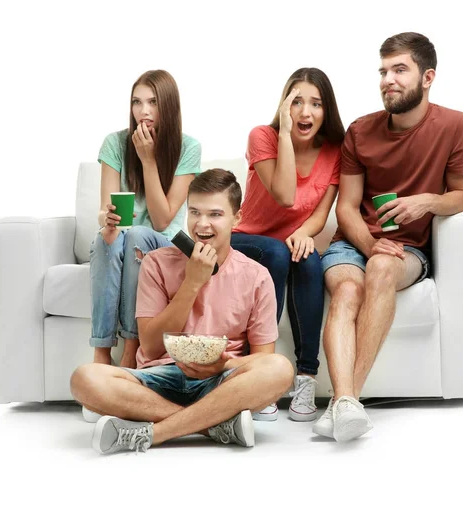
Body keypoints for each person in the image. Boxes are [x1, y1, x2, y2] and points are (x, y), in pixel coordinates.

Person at [317, 32, 463, 441]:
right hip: (352, 244)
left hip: (408, 250)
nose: (388, 79)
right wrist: (367, 245)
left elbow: (462, 196)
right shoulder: (361, 131)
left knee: (384, 266)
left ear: (427, 77)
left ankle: (342, 401)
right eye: (384, 71)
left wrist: (424, 202)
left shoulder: (454, 125)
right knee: (348, 291)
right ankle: (348, 403)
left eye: (400, 69)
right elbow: (346, 208)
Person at [71, 169, 294, 454]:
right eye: (194, 212)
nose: (202, 224)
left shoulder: (257, 276)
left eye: (215, 214)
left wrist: (220, 367)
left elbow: (264, 358)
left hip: (221, 382)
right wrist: (192, 282)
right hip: (159, 376)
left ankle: (156, 432)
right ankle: (214, 426)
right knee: (84, 379)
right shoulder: (156, 263)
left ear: (236, 219)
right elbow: (150, 348)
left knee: (280, 368)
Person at [231, 68, 345, 422]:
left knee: (310, 261)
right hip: (246, 239)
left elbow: (321, 213)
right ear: (283, 106)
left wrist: (306, 233)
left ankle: (306, 376)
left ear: (327, 112)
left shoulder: (334, 152)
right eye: (296, 102)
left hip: (291, 242)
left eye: (316, 104)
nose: (305, 113)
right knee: (278, 252)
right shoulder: (262, 137)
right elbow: (283, 194)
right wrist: (283, 132)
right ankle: (261, 376)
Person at [89, 69, 201, 371]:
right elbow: (104, 208)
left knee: (137, 234)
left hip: (165, 243)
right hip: (124, 239)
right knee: (108, 239)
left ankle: (131, 349)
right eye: (137, 102)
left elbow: (164, 220)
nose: (144, 111)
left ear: (168, 106)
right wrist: (107, 221)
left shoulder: (188, 148)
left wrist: (148, 160)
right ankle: (100, 353)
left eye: (152, 102)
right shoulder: (114, 143)